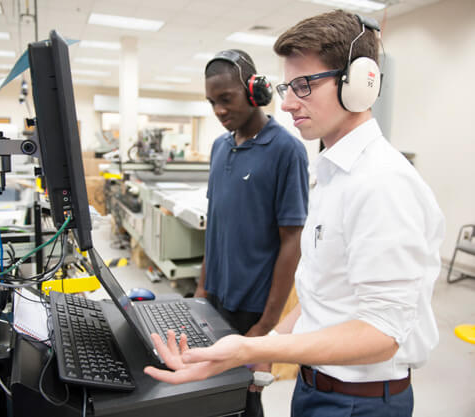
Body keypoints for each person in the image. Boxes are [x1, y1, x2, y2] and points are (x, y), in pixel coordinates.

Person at [144, 10, 445, 417]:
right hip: (315, 385)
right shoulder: (334, 174)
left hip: (360, 402)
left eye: (303, 85)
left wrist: (255, 344)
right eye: (288, 85)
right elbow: (324, 296)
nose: (286, 102)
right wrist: (257, 348)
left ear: (358, 83)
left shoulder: (383, 183)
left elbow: (382, 333)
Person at [193, 49, 309, 416]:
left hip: (252, 308)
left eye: (225, 99)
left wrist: (266, 325)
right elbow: (216, 224)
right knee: (211, 394)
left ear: (254, 91)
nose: (218, 111)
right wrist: (200, 289)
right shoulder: (219, 148)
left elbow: (292, 240)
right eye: (212, 102)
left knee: (244, 399)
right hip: (215, 300)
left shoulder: (286, 149)